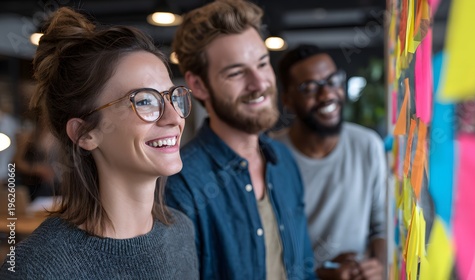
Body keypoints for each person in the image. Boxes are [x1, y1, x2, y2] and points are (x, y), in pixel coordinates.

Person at [0, 7, 198, 279]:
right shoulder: (37, 267)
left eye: (172, 96)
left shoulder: (182, 233)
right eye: (144, 101)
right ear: (85, 134)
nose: (174, 116)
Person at [164, 0, 316, 279]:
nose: (259, 83)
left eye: (262, 63)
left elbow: (303, 269)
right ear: (198, 85)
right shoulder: (180, 186)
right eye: (236, 73)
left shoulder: (284, 163)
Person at [273, 44, 387, 280]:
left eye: (333, 81)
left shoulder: (367, 145)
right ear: (287, 99)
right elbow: (265, 243)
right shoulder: (270, 155)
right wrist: (318, 274)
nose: (326, 94)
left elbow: (381, 225)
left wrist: (379, 266)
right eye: (309, 88)